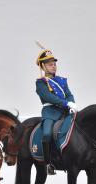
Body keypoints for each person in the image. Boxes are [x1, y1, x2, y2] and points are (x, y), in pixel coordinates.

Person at [35, 42, 78, 175]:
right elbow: (49, 97)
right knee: (47, 133)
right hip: (50, 113)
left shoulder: (62, 80)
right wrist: (66, 104)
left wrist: (72, 104)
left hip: (66, 112)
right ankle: (48, 164)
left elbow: (69, 94)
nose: (53, 66)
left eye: (54, 64)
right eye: (50, 64)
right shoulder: (41, 83)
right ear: (43, 66)